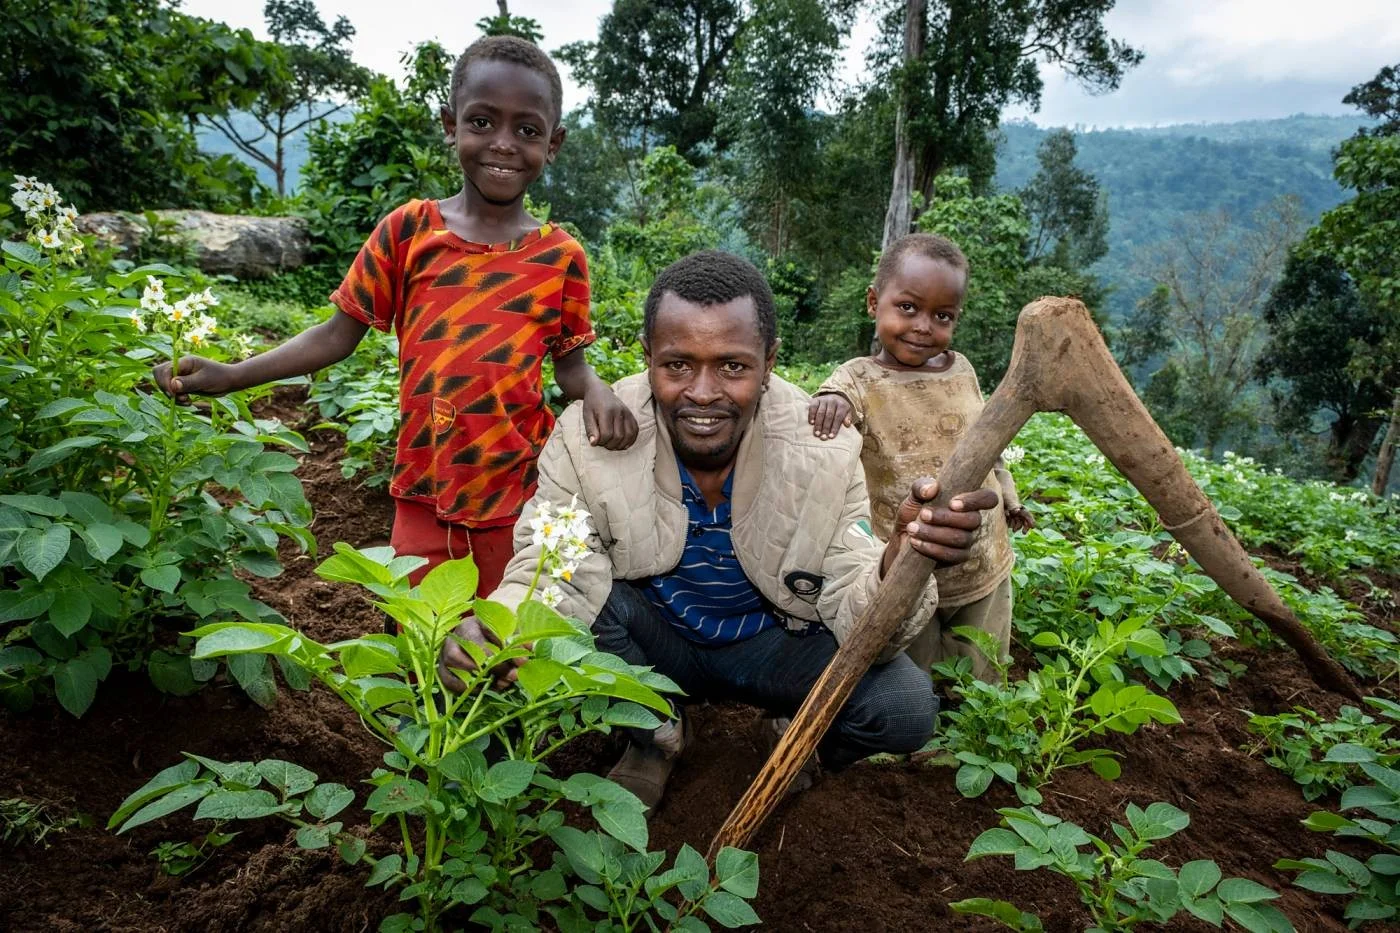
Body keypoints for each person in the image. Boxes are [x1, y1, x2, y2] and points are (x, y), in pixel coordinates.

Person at [440, 249, 999, 810]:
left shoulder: (822, 449)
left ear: (769, 362)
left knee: (905, 708)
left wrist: (895, 561)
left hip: (774, 646)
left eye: (733, 366)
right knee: (594, 600)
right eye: (677, 365)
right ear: (648, 357)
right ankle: (654, 732)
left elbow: (850, 584)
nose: (703, 393)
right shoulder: (591, 436)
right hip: (657, 644)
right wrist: (501, 625)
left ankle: (792, 735)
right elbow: (551, 561)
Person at [153, 36, 637, 592]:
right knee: (420, 639)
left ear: (553, 144)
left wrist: (598, 389)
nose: (503, 144)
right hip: (422, 490)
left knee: (508, 647)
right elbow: (337, 334)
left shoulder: (561, 257)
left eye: (526, 130)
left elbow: (570, 365)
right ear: (449, 125)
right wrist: (233, 374)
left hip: (518, 492)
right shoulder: (408, 232)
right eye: (482, 122)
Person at [807, 232, 1033, 681]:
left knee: (981, 676)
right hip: (909, 562)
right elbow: (835, 398)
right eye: (907, 307)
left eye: (942, 315)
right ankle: (921, 744)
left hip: (983, 557)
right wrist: (830, 400)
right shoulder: (858, 378)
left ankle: (970, 740)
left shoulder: (962, 370)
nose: (923, 325)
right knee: (914, 674)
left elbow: (989, 446)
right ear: (874, 302)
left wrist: (1010, 499)